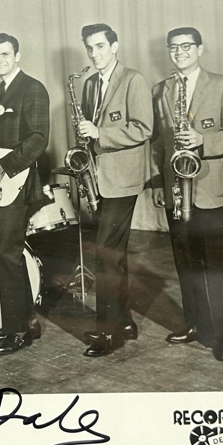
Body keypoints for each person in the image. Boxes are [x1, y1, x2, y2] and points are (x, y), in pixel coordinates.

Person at [151, 27, 223, 362]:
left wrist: (201, 140)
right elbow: (158, 143)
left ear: (200, 49)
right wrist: (161, 186)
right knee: (186, 263)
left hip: (210, 189)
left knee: (217, 264)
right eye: (173, 48)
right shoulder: (161, 89)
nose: (179, 52)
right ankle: (196, 324)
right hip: (177, 189)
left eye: (186, 46)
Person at [76, 23, 153, 357]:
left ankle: (109, 334)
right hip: (99, 179)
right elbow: (90, 132)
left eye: (101, 47)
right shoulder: (90, 83)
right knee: (114, 254)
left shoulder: (133, 79)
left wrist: (99, 133)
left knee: (105, 253)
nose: (95, 54)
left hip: (123, 180)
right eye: (90, 48)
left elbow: (143, 128)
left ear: (115, 46)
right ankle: (124, 322)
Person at [0, 33, 50, 356]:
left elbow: (38, 139)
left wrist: (3, 166)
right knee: (9, 255)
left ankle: (16, 332)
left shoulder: (32, 88)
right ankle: (25, 323)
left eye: (5, 54)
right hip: (3, 186)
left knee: (7, 255)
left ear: (17, 55)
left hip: (18, 184)